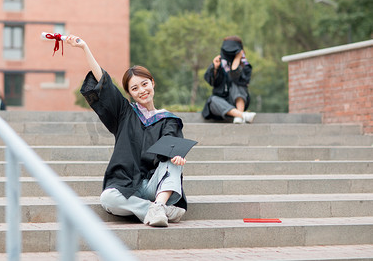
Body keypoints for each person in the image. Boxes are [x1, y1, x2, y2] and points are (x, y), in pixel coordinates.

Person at [65, 35, 187, 227]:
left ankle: (159, 205)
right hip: (128, 183)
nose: (142, 90)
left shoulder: (168, 119)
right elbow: (104, 83)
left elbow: (172, 146)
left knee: (173, 163)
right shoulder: (125, 114)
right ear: (130, 94)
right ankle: (158, 210)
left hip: (156, 186)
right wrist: (84, 48)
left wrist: (177, 158)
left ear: (152, 83)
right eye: (135, 88)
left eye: (145, 84)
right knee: (108, 198)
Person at [202, 36, 256, 124]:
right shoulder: (219, 63)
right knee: (212, 100)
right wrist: (215, 68)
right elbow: (211, 81)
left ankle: (238, 115)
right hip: (220, 104)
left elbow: (236, 78)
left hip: (236, 102)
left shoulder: (245, 66)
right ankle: (242, 116)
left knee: (238, 83)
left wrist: (238, 59)